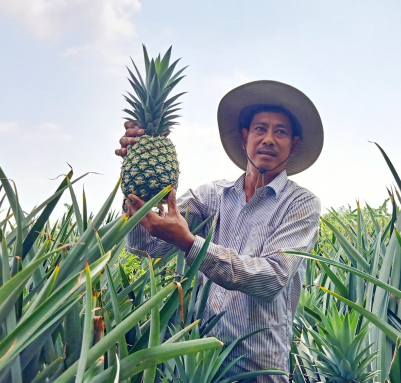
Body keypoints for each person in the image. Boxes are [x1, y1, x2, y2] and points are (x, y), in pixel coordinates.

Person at [116, 80, 324, 383]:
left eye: (280, 131)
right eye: (259, 129)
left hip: (261, 368)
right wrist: (137, 177)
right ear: (244, 137)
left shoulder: (301, 204)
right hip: (202, 361)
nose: (268, 138)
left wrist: (189, 243)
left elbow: (272, 277)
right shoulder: (212, 196)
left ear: (293, 144)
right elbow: (146, 245)